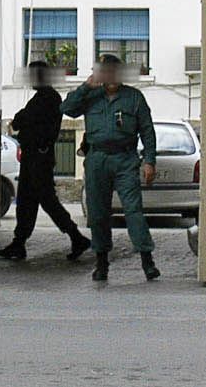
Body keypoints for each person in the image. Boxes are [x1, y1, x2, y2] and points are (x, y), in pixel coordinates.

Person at [61, 54, 160, 283]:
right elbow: (66, 108)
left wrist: (149, 161)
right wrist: (86, 86)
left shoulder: (134, 97)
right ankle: (101, 262)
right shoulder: (91, 95)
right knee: (98, 212)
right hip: (97, 158)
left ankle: (148, 261)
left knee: (133, 210)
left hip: (125, 158)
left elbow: (147, 131)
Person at [0, 60, 92, 262]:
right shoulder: (42, 97)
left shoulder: (48, 98)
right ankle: (19, 243)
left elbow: (22, 119)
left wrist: (21, 121)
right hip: (34, 157)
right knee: (27, 202)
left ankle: (76, 237)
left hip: (39, 157)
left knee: (47, 202)